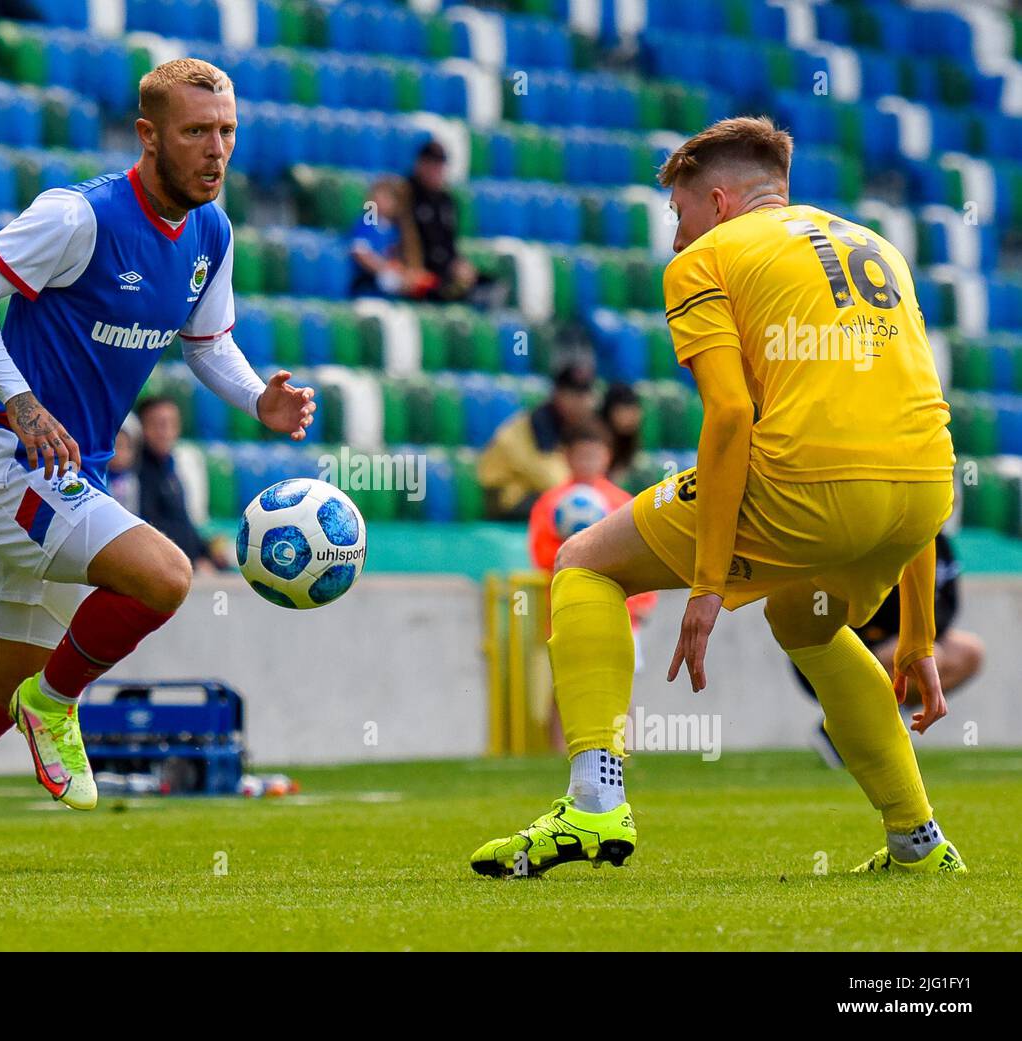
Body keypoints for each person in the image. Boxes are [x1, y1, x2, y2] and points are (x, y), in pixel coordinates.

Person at [0, 58, 315, 870]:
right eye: (197, 131)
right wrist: (21, 399)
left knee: (1, 681)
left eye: (228, 130)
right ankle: (56, 702)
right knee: (165, 574)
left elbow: (207, 342)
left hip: (67, 479)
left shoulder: (211, 231)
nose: (217, 150)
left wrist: (254, 397)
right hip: (8, 464)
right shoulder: (80, 216)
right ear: (149, 135)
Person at [471, 116, 966, 879]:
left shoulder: (710, 257)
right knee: (804, 616)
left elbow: (730, 414)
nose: (677, 238)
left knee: (585, 563)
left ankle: (593, 804)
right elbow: (915, 418)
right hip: (921, 492)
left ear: (721, 200)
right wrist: (921, 638)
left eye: (680, 214)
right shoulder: (879, 247)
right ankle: (918, 840)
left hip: (808, 485)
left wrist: (707, 583)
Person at [794, 531, 983, 767]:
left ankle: (878, 722)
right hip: (842, 647)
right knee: (917, 652)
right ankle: (844, 726)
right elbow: (883, 614)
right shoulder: (882, 532)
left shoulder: (938, 542)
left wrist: (925, 630)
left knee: (969, 651)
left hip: (902, 639)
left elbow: (949, 602)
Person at [527, 420, 657, 633]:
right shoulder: (550, 503)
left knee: (623, 665)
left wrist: (642, 600)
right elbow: (543, 554)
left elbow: (641, 552)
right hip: (567, 613)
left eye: (594, 456)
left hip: (620, 616)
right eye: (582, 456)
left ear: (608, 456)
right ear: (567, 456)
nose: (588, 463)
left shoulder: (623, 502)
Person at [476, 358, 597, 520]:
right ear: (557, 394)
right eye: (573, 395)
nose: (581, 402)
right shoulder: (537, 425)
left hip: (537, 490)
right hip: (509, 497)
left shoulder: (574, 424)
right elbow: (550, 479)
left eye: (584, 395)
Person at [135, 395, 228, 572]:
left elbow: (183, 522)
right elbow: (151, 529)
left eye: (171, 424)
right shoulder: (136, 471)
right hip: (163, 567)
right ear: (142, 428)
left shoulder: (172, 466)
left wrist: (206, 551)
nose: (165, 431)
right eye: (158, 424)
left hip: (187, 563)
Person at [407, 140, 499, 305]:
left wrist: (458, 263)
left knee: (490, 283)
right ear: (420, 164)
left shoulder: (446, 200)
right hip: (419, 269)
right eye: (432, 165)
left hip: (445, 269)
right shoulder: (405, 194)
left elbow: (448, 242)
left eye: (439, 166)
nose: (436, 171)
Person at [348, 176, 436, 299]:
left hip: (389, 289)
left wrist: (406, 272)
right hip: (367, 284)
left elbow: (399, 258)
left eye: (386, 198)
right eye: (376, 196)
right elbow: (360, 253)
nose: (378, 201)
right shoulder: (367, 222)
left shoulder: (395, 230)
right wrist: (384, 268)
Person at [600, 383, 642, 484]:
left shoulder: (630, 437)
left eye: (634, 410)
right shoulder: (597, 437)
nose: (631, 417)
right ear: (610, 411)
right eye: (625, 410)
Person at [107, 415, 141, 516]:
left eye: (128, 447)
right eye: (117, 446)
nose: (121, 454)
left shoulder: (132, 480)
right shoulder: (99, 479)